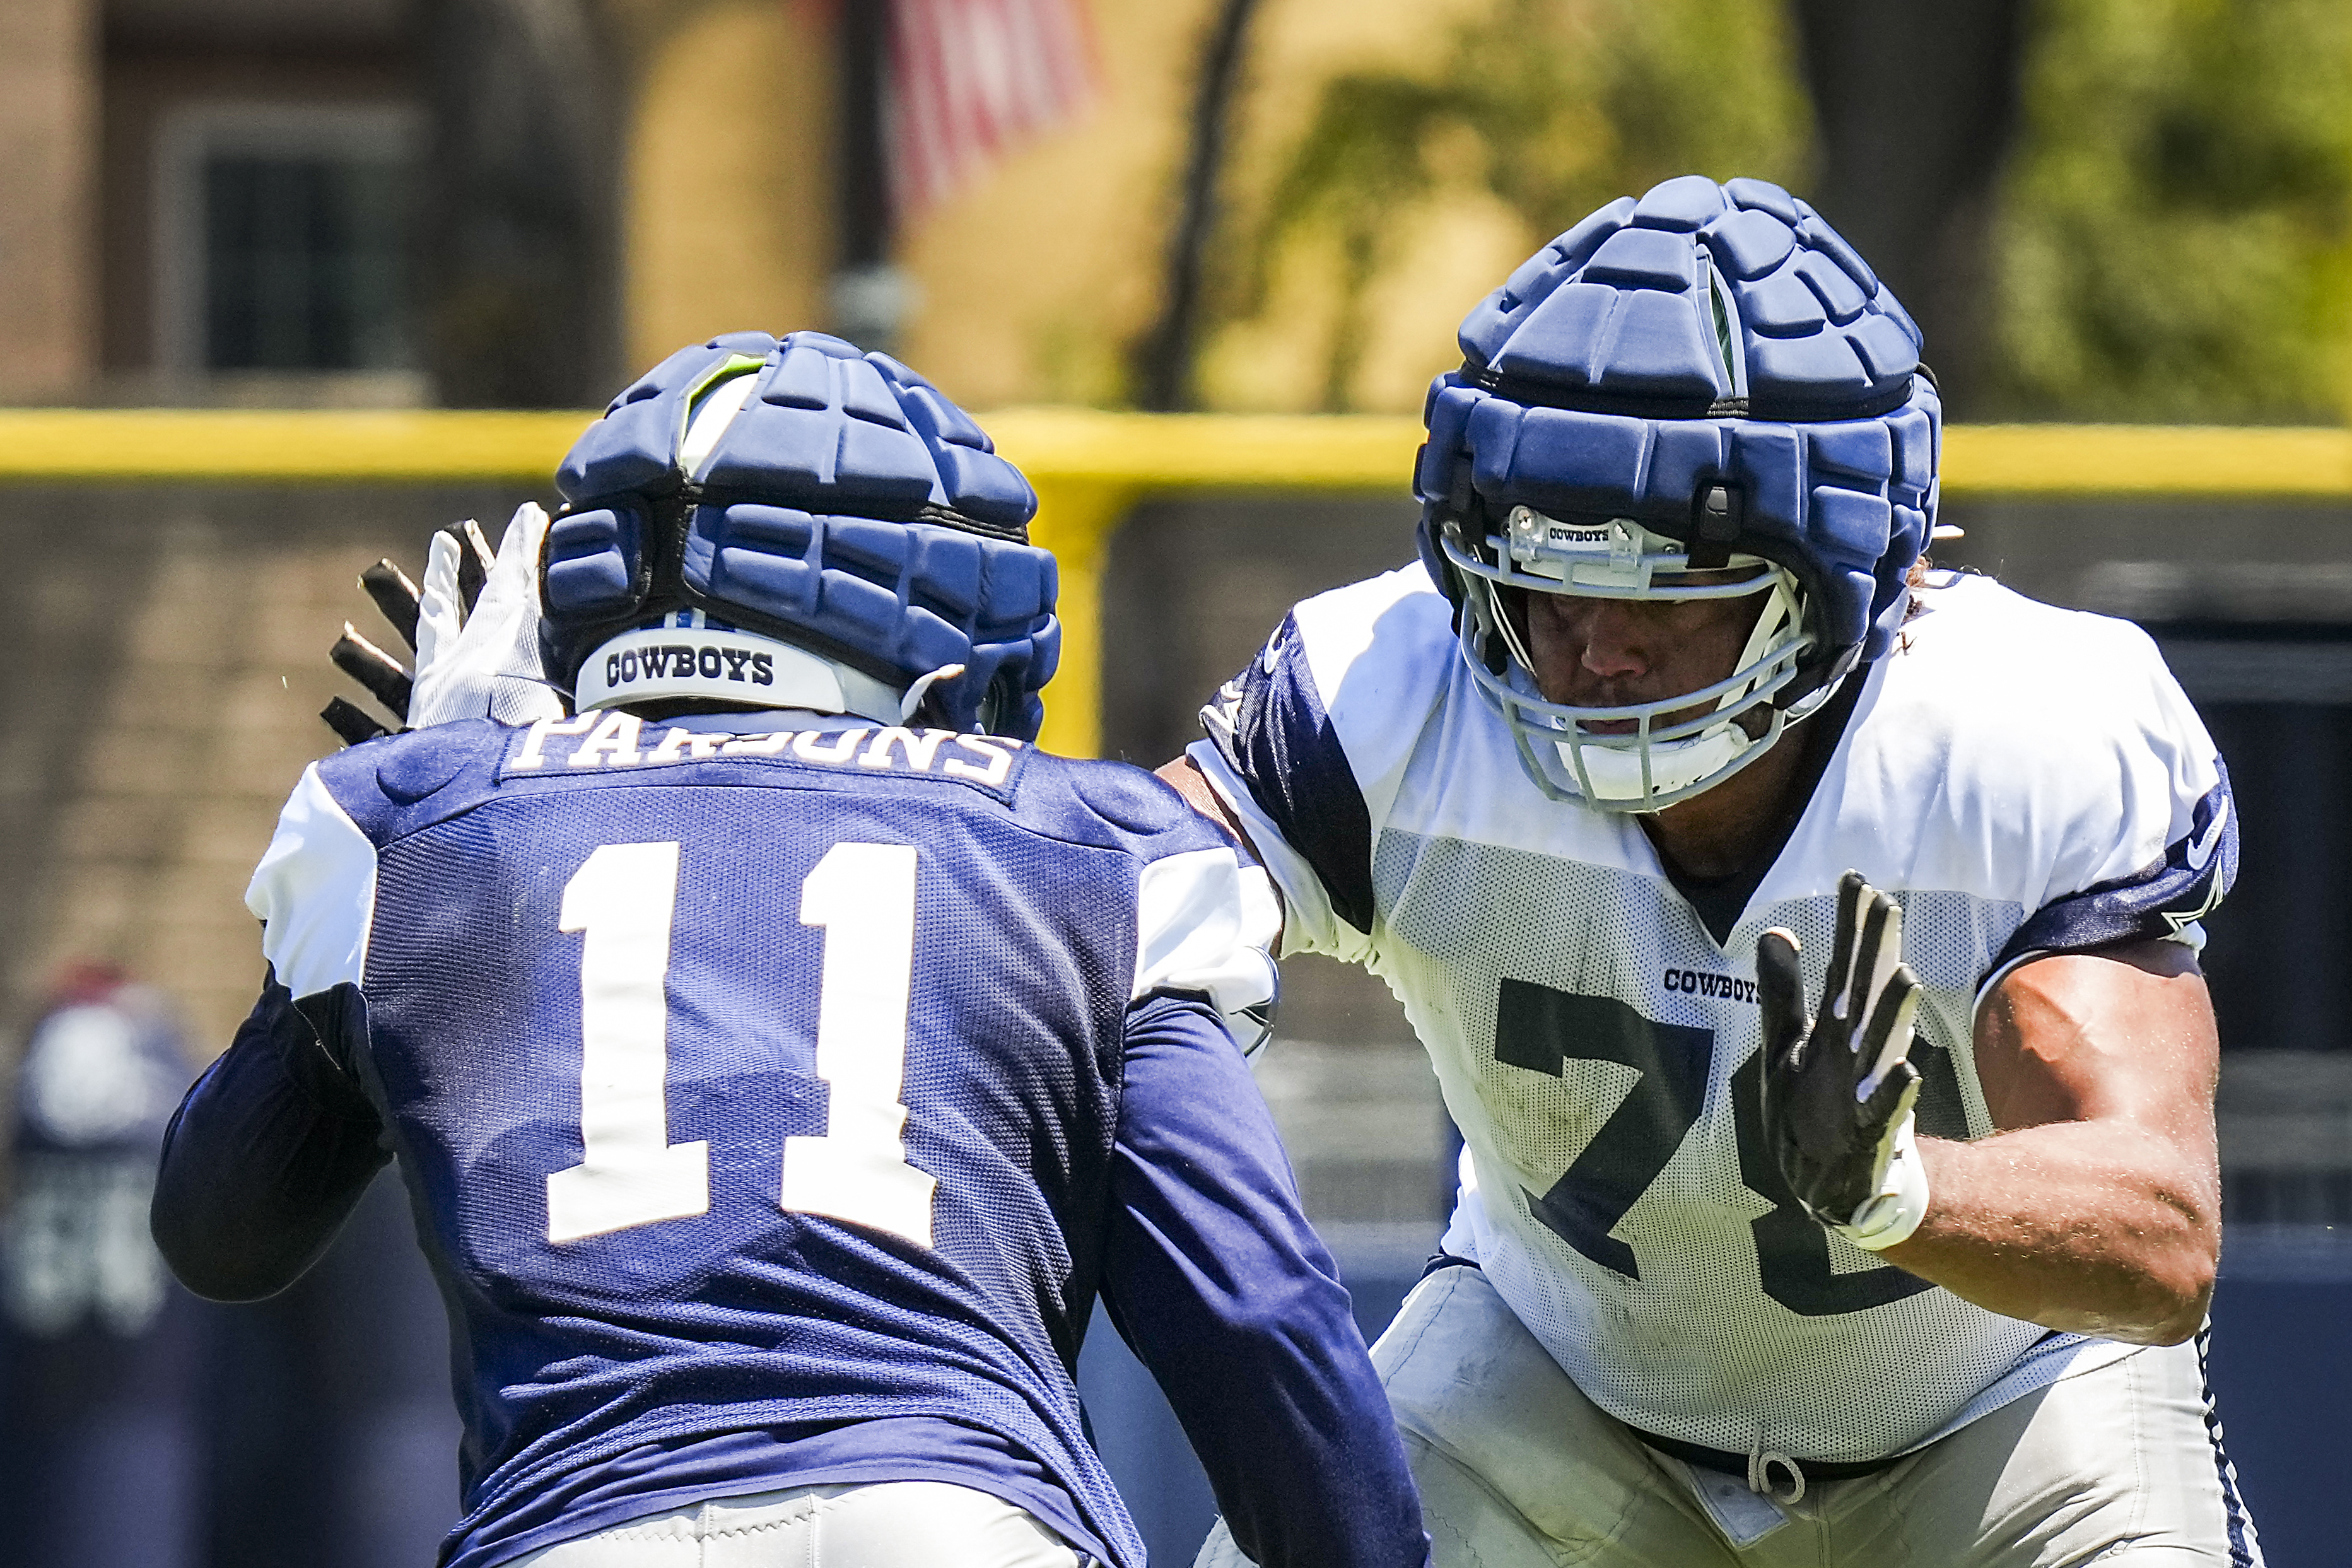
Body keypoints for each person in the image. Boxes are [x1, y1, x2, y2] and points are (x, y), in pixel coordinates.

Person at [151, 331, 1429, 1568]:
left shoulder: (430, 823)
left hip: (576, 1524)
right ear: (917, 604)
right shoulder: (1091, 852)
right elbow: (1258, 1321)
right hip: (954, 1515)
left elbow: (223, 1234)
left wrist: (433, 850)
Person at [1162, 177, 2262, 1565]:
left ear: (1848, 582)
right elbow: (1117, 916)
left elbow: (2160, 1237)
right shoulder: (1392, 692)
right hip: (1557, 1401)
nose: (1595, 653)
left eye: (1665, 595)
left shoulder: (2019, 736)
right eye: (1552, 588)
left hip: (1993, 1415)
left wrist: (1899, 1189)